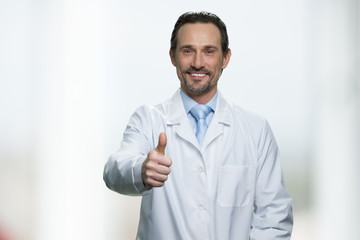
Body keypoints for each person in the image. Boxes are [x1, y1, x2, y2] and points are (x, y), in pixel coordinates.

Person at [103, 11, 293, 240]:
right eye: (188, 51)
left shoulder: (256, 130)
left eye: (209, 51)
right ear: (173, 56)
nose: (198, 63)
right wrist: (141, 170)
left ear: (225, 58)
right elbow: (114, 170)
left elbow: (274, 218)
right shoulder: (148, 119)